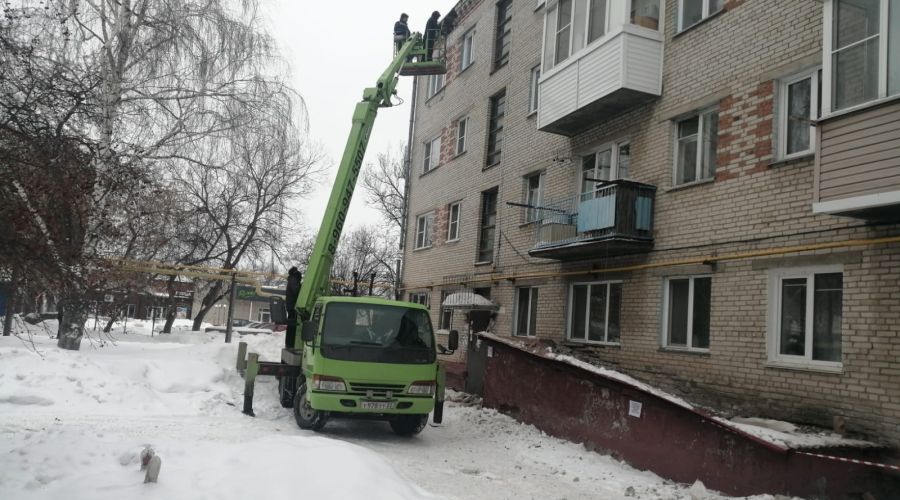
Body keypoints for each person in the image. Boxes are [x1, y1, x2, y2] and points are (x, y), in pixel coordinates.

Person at [284, 267, 301, 349]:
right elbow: (296, 291)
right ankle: (290, 344)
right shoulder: (293, 280)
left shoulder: (291, 280)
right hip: (293, 307)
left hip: (290, 306)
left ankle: (289, 344)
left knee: (291, 326)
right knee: (292, 326)